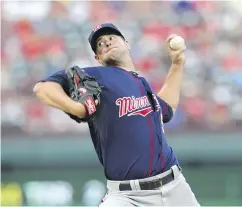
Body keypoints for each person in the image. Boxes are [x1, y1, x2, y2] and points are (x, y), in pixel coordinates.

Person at [34, 23, 200, 206]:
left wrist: (177, 64)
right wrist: (76, 108)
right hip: (127, 197)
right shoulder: (98, 75)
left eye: (111, 37)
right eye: (100, 43)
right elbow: (43, 88)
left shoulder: (141, 84)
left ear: (127, 44)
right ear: (98, 58)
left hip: (175, 187)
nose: (106, 42)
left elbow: (167, 109)